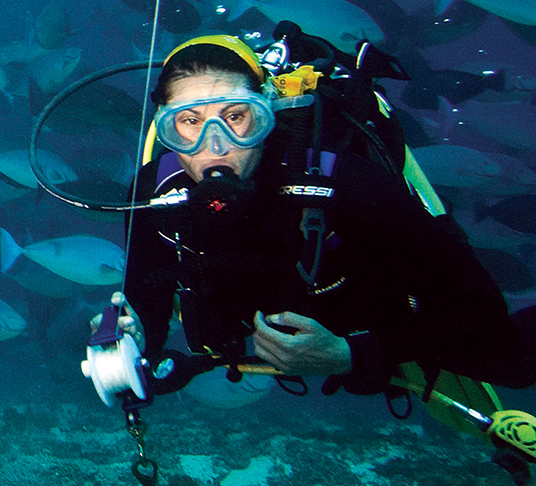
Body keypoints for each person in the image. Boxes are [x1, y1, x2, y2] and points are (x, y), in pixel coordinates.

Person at [111, 33, 536, 399]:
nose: (215, 146)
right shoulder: (153, 192)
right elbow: (146, 300)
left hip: (377, 327)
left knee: (515, 365)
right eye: (189, 122)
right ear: (167, 130)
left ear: (266, 115)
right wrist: (131, 342)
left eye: (236, 117)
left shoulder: (349, 184)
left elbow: (480, 312)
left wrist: (353, 354)